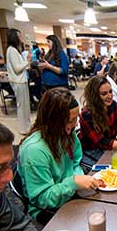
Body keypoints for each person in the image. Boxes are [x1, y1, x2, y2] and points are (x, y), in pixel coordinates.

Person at [18, 88, 99, 224]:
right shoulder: (35, 151)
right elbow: (42, 198)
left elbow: (75, 163)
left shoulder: (66, 132)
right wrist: (73, 183)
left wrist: (78, 179)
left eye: (76, 118)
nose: (76, 124)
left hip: (68, 192)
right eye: (71, 120)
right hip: (47, 208)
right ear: (53, 121)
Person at [6, 28, 32, 134]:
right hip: (18, 81)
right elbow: (17, 68)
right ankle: (23, 128)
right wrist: (27, 61)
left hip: (22, 80)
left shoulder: (15, 50)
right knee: (22, 106)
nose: (21, 38)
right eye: (19, 36)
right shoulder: (11, 50)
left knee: (26, 105)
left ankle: (27, 126)